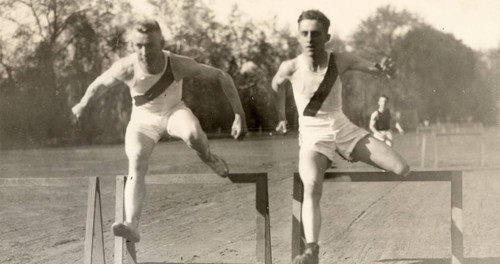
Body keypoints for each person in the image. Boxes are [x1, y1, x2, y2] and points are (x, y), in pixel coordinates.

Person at [72, 17, 247, 243]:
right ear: (132, 46)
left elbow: (220, 76)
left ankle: (208, 157)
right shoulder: (125, 67)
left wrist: (239, 115)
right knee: (136, 159)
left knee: (193, 133)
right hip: (143, 120)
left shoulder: (176, 63)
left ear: (161, 42)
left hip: (173, 111)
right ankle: (132, 225)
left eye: (150, 45)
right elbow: (99, 85)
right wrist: (83, 103)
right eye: (139, 45)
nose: (144, 51)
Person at [271, 10, 410, 264]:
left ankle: (348, 153)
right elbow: (276, 86)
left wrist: (388, 69)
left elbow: (376, 69)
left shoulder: (341, 60)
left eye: (316, 34)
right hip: (313, 135)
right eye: (305, 34)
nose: (310, 39)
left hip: (343, 128)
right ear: (298, 37)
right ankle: (312, 250)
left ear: (327, 37)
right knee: (312, 185)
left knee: (402, 168)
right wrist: (281, 117)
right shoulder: (290, 67)